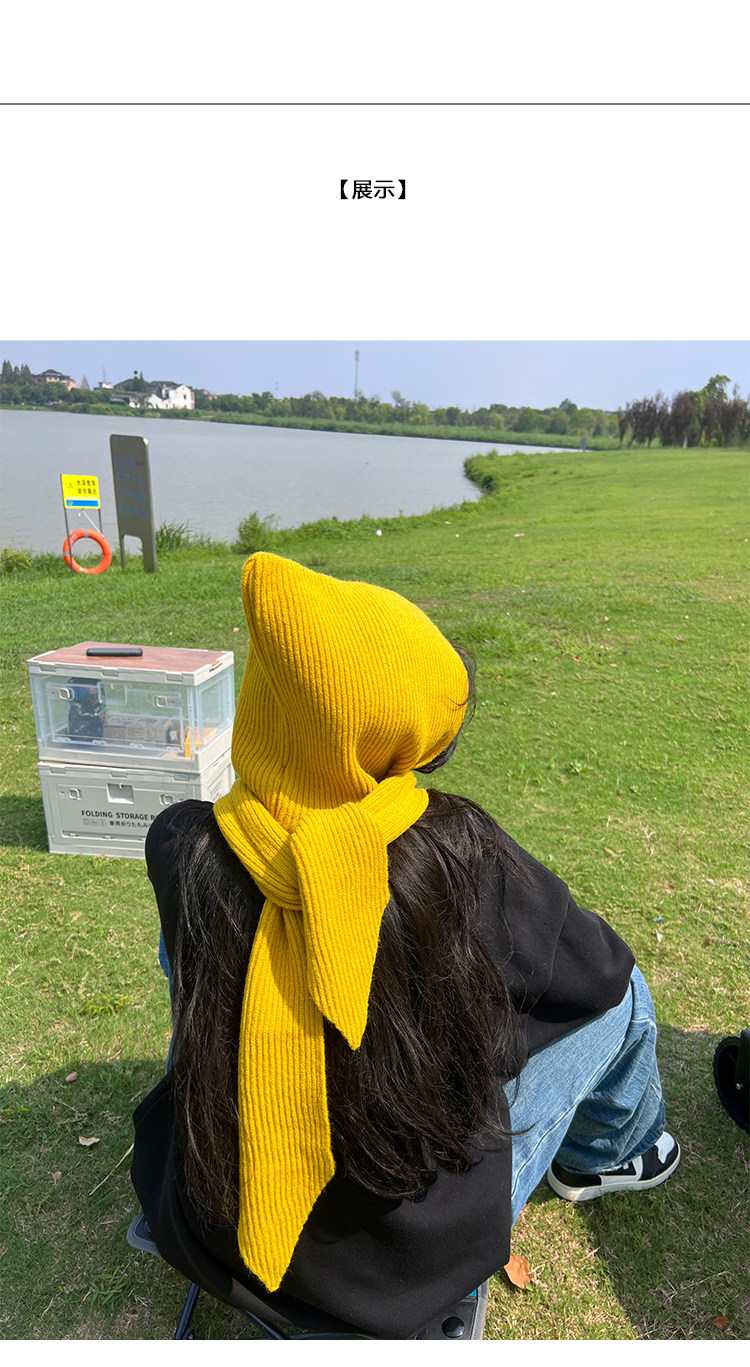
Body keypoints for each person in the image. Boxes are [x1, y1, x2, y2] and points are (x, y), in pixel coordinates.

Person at [131, 552, 680, 1339]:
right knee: (629, 1000)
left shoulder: (183, 842)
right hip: (394, 1267)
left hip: (211, 1209)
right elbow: (596, 969)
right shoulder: (455, 854)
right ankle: (610, 1155)